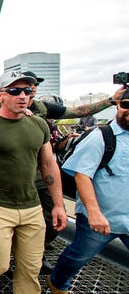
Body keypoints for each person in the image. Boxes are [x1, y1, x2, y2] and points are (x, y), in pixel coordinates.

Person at [0, 71, 68, 293]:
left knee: (31, 270)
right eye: (14, 91)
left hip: (31, 206)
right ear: (0, 95)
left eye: (27, 91)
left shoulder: (39, 125)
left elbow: (49, 165)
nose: (22, 95)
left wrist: (59, 205)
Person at [21, 70, 125, 273]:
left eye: (33, 85)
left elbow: (78, 112)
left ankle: (36, 255)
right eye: (23, 86)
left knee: (50, 218)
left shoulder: (42, 108)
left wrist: (111, 101)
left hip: (41, 173)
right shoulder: (4, 107)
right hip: (14, 175)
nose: (30, 89)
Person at [46, 90, 129, 294]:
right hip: (101, 217)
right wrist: (94, 213)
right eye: (126, 104)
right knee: (78, 256)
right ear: (118, 105)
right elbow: (82, 174)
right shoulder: (102, 136)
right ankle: (57, 281)